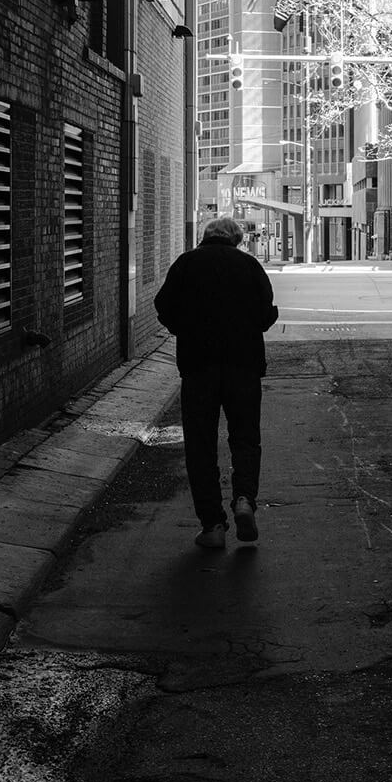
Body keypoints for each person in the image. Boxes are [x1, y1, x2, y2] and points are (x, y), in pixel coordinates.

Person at [155, 216, 279, 549]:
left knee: (200, 445)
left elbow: (162, 306)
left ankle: (212, 525)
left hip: (198, 368)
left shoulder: (186, 264)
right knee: (245, 439)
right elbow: (265, 316)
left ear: (206, 237)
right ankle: (243, 500)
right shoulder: (249, 266)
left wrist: (186, 329)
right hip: (244, 367)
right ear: (237, 239)